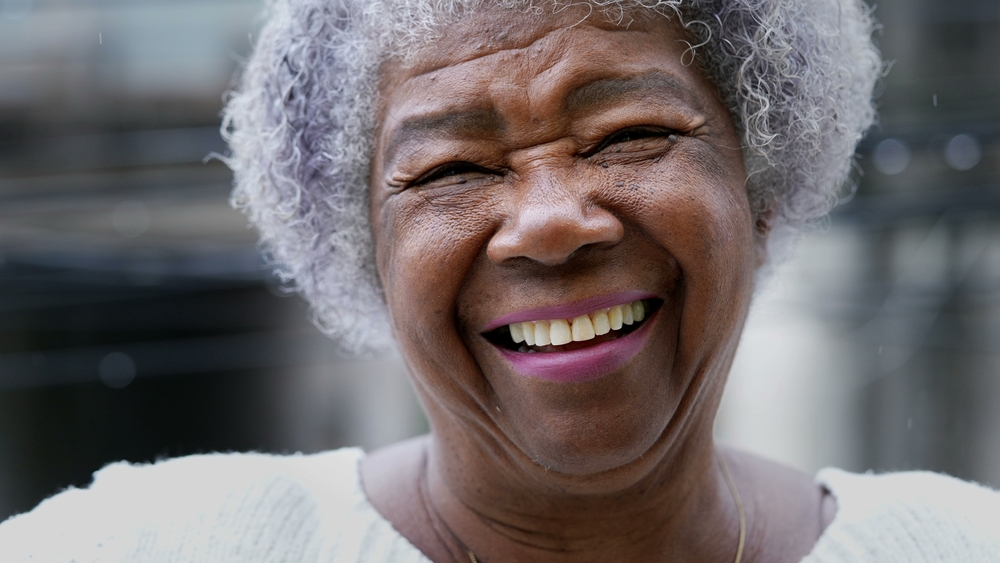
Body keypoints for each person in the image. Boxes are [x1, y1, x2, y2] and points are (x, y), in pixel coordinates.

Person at [3, 0, 1000, 561]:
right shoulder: (153, 545)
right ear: (363, 253)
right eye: (451, 169)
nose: (551, 221)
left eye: (630, 134)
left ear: (760, 184)